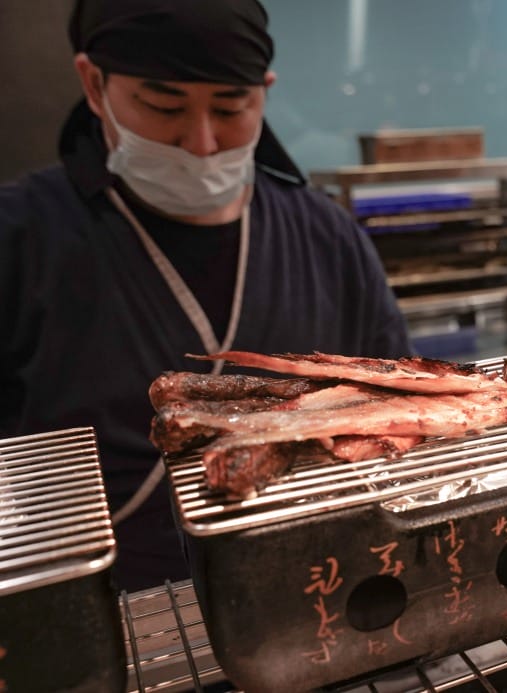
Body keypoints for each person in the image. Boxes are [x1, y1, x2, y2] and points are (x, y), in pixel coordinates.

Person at [0, 0, 413, 592]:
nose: (201, 142)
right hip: (100, 618)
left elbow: (399, 409)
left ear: (264, 93)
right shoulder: (19, 239)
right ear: (94, 84)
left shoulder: (328, 235)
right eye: (163, 105)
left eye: (231, 107)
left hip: (316, 592)